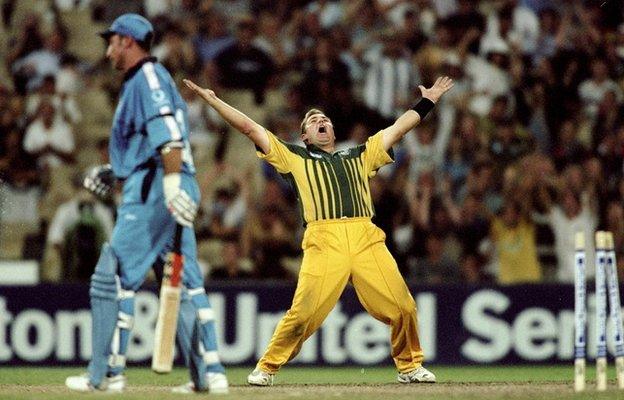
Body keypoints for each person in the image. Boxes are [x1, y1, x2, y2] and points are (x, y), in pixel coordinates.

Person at [183, 74, 454, 385]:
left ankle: (409, 367)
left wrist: (428, 101)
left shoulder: (360, 154)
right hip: (324, 240)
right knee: (303, 313)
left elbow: (398, 128)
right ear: (306, 136)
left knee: (403, 306)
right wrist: (215, 101)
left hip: (366, 237)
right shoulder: (294, 157)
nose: (321, 121)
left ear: (333, 132)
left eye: (324, 118)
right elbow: (249, 127)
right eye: (313, 121)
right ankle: (268, 367)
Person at [64, 14, 228, 394]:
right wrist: (115, 169)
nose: (107, 52)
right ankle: (209, 374)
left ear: (126, 41)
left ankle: (105, 374)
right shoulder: (143, 81)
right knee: (184, 281)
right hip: (158, 180)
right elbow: (151, 142)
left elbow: (168, 137)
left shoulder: (148, 77)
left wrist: (169, 185)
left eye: (111, 43)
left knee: (113, 273)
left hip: (156, 188)